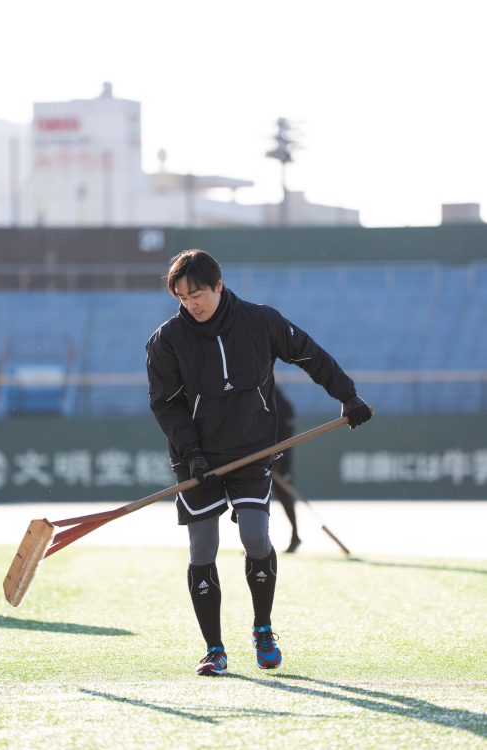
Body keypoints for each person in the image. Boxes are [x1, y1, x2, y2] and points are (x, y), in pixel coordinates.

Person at [146, 249, 372, 677]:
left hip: (252, 450)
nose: (191, 304)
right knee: (203, 548)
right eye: (181, 297)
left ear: (219, 285)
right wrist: (191, 454)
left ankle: (262, 628)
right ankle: (214, 649)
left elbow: (310, 354)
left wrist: (347, 395)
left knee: (255, 536)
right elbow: (166, 405)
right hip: (197, 460)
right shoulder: (166, 340)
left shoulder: (261, 321)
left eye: (197, 294)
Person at [273, 386, 302, 553]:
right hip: (258, 456)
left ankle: (295, 535)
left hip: (280, 459)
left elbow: (287, 437)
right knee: (254, 498)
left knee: (285, 496)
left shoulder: (281, 402)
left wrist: (279, 460)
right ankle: (256, 542)